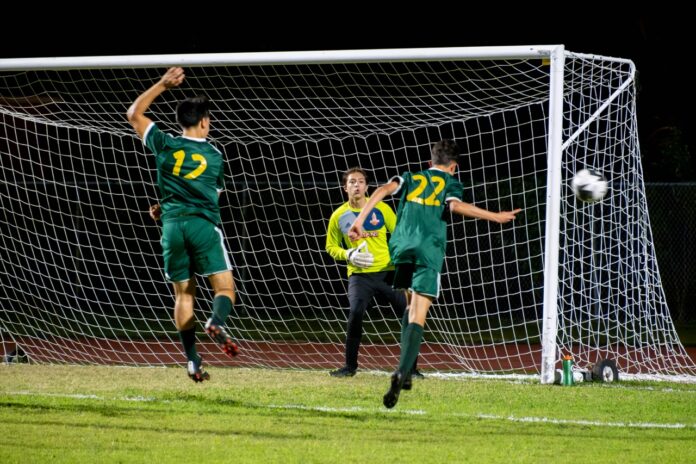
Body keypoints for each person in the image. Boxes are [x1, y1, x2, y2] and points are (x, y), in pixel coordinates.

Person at [348, 140, 521, 408]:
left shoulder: (412, 177)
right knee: (418, 313)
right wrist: (495, 216)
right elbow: (455, 207)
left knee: (408, 305)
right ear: (454, 167)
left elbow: (383, 190)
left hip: (402, 248)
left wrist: (359, 221)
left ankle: (404, 375)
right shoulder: (451, 183)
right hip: (428, 250)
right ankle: (402, 371)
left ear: (430, 163)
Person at [126, 67, 239, 383]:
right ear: (203, 121)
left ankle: (192, 361)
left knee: (183, 295)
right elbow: (207, 195)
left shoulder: (163, 144)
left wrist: (162, 84)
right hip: (202, 226)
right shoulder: (215, 156)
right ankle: (216, 321)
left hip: (172, 228)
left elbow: (134, 113)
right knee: (225, 288)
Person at [325, 168, 421, 382]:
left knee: (410, 313)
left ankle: (411, 368)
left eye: (360, 181)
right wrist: (347, 254)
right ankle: (349, 366)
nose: (356, 185)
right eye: (352, 182)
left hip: (387, 272)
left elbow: (398, 234)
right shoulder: (338, 216)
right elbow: (330, 247)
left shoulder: (382, 208)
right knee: (355, 312)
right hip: (360, 276)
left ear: (367, 187)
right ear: (345, 188)